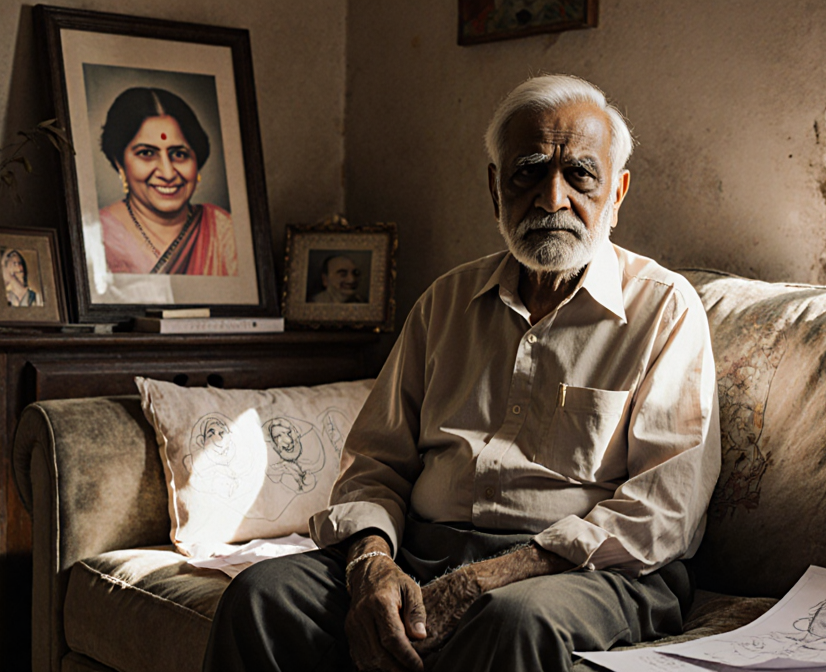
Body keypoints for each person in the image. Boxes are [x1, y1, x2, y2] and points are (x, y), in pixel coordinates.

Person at [204, 74, 721, 672]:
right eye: (528, 170)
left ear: (617, 193)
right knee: (262, 598)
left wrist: (479, 583)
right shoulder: (445, 302)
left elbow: (664, 511)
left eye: (580, 174)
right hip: (423, 550)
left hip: (586, 570)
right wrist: (373, 562)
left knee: (511, 622)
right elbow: (375, 465)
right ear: (496, 188)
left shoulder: (664, 309)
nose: (553, 199)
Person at [98, 87, 237, 276]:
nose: (168, 173)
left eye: (179, 154)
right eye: (147, 153)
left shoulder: (223, 232)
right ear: (120, 163)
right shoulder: (101, 237)